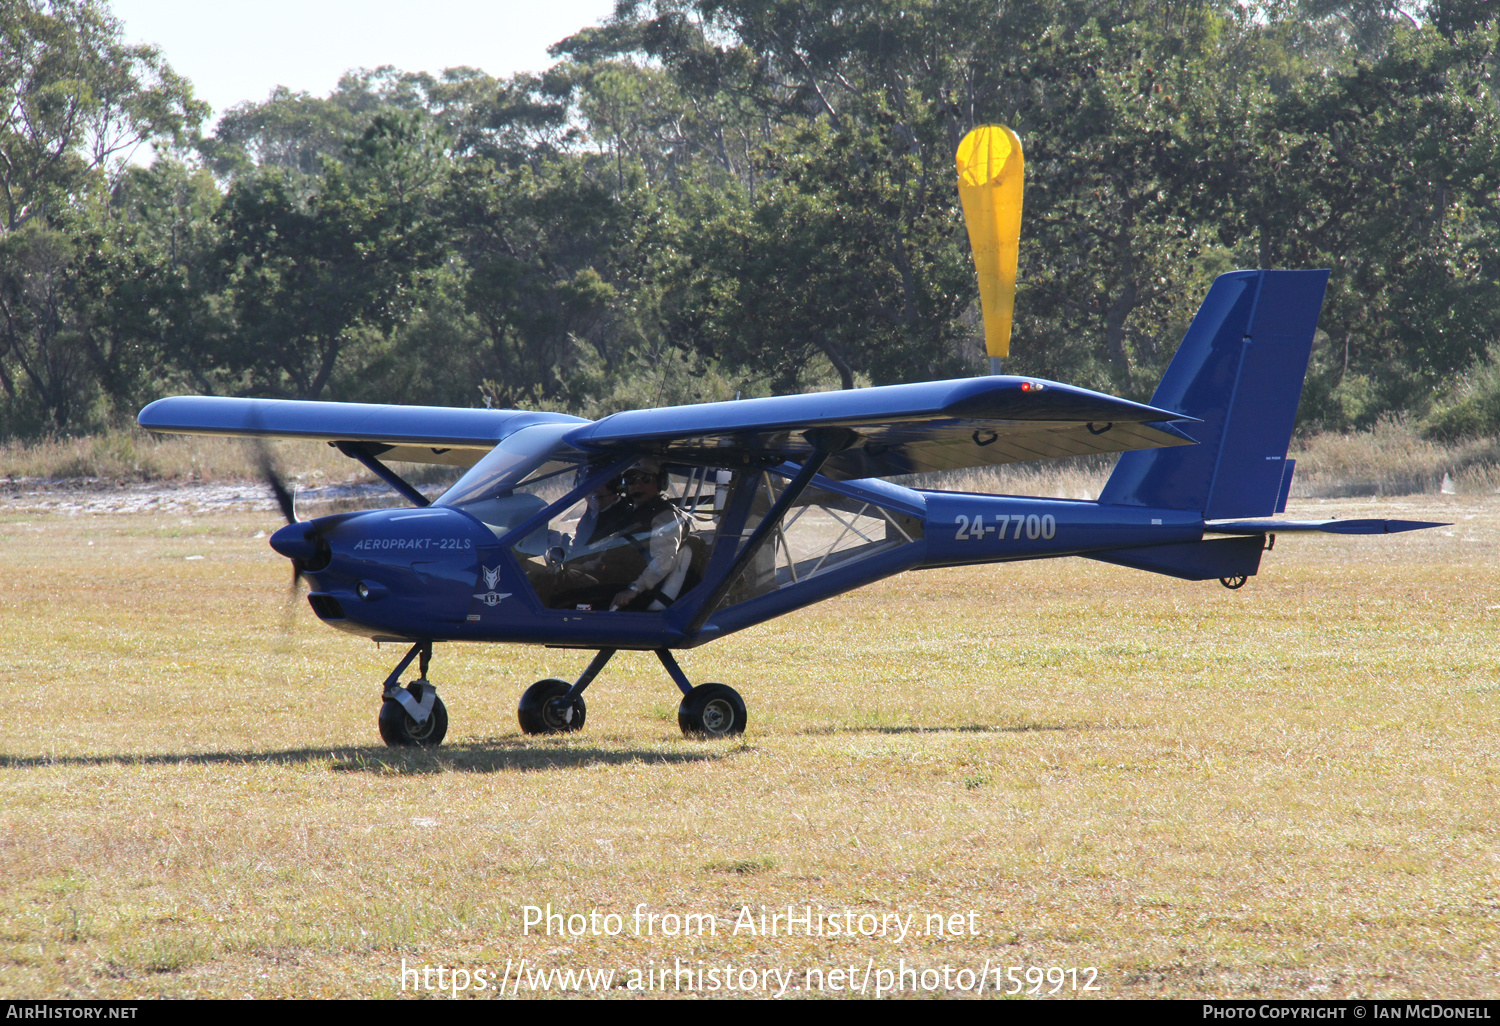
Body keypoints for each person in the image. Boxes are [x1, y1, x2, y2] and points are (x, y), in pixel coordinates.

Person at [609, 461, 691, 611]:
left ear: (660, 482)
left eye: (645, 479)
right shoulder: (631, 514)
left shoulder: (665, 517)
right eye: (631, 480)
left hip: (635, 592)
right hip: (613, 579)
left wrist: (633, 589)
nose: (638, 485)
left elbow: (663, 561)